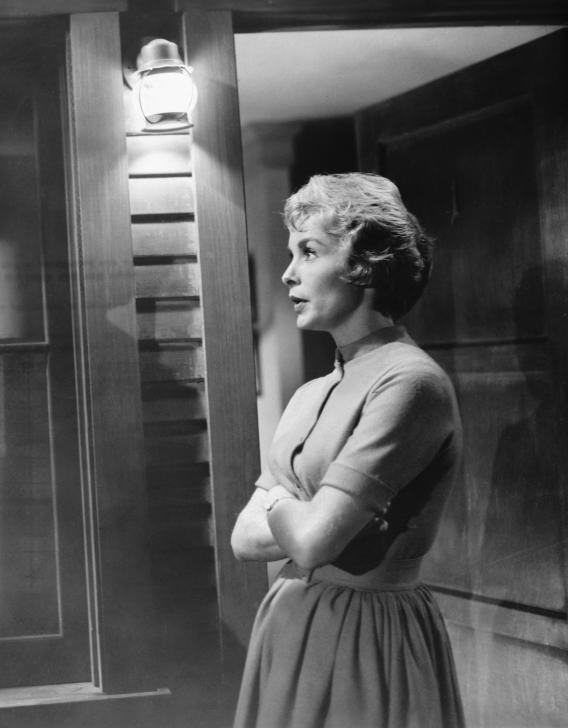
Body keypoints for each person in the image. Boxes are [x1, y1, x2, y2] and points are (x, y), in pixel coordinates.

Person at [230, 173, 465, 728]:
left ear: (365, 264)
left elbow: (311, 544)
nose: (288, 272)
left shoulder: (409, 383)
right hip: (292, 628)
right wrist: (312, 516)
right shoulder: (311, 393)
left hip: (367, 638)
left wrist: (284, 507)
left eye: (308, 251)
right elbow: (243, 539)